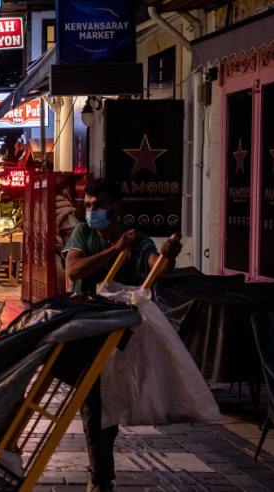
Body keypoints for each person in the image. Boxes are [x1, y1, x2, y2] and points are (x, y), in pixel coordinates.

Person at [63, 178, 181, 492]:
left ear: (116, 207)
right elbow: (73, 271)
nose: (91, 211)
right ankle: (100, 477)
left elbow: (157, 268)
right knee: (94, 403)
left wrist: (168, 258)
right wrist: (114, 251)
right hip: (84, 330)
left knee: (107, 404)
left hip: (119, 335)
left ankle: (101, 475)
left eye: (98, 205)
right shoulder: (83, 233)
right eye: (87, 205)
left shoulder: (139, 240)